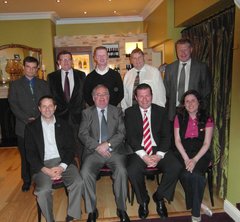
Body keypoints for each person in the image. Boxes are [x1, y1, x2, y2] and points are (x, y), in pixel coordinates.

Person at [124, 83, 182, 219]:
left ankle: (159, 197)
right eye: (141, 96)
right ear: (136, 98)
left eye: (147, 96)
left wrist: (159, 155)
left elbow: (167, 136)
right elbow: (131, 137)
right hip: (139, 149)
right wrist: (144, 156)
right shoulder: (129, 112)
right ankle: (143, 200)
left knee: (176, 166)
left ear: (152, 96)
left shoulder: (161, 111)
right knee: (132, 169)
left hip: (158, 148)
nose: (145, 99)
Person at [25, 96, 83, 222]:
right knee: (43, 191)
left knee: (78, 182)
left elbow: (70, 148)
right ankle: (50, 219)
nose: (47, 109)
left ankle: (72, 214)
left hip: (63, 161)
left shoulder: (64, 124)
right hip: (42, 165)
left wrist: (62, 167)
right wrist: (46, 170)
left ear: (55, 108)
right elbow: (30, 154)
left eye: (50, 106)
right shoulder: (31, 127)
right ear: (39, 109)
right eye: (44, 106)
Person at [79, 84, 130, 222]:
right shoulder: (87, 113)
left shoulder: (117, 111)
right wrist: (98, 147)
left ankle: (121, 208)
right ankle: (91, 210)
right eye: (99, 95)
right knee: (84, 173)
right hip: (94, 152)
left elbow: (122, 133)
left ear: (109, 97)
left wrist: (107, 144)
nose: (102, 98)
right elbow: (82, 134)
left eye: (105, 94)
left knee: (121, 171)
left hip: (114, 150)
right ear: (93, 98)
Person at [8, 56, 49, 192]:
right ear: (24, 68)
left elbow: (47, 103)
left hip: (40, 125)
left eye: (33, 68)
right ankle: (26, 180)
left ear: (37, 69)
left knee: (40, 153)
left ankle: (41, 177)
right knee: (25, 155)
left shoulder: (43, 84)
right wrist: (27, 119)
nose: (30, 70)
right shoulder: (15, 85)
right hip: (23, 126)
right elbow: (13, 105)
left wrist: (38, 118)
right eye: (28, 67)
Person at [174, 90, 214, 222]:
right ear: (183, 104)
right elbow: (177, 140)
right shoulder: (179, 117)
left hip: (201, 152)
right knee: (185, 174)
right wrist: (186, 159)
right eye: (187, 101)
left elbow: (207, 143)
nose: (190, 103)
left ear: (199, 102)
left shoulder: (207, 118)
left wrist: (195, 160)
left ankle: (196, 212)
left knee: (196, 175)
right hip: (183, 150)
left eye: (193, 100)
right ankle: (199, 204)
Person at [48, 50, 86, 158]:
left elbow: (84, 95)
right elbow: (51, 97)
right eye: (63, 59)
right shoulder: (52, 77)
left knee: (80, 147)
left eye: (68, 59)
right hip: (60, 117)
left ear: (72, 61)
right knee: (64, 146)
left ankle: (83, 171)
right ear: (58, 62)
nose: (66, 62)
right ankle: (67, 169)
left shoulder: (81, 75)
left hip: (78, 117)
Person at [164, 38, 211, 122]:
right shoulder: (169, 68)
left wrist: (199, 108)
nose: (183, 53)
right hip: (174, 111)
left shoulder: (201, 67)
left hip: (194, 111)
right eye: (180, 50)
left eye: (185, 50)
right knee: (174, 135)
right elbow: (166, 90)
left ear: (191, 49)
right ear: (176, 51)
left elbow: (206, 90)